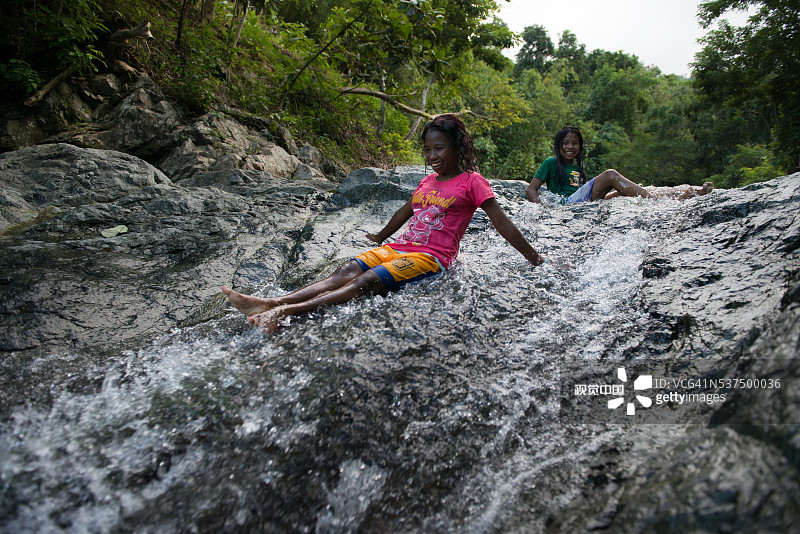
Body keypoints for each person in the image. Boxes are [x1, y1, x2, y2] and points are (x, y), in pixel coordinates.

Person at [223, 114, 544, 332]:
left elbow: (502, 223)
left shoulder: (472, 182)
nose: (432, 155)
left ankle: (281, 314)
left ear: (457, 148)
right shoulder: (428, 182)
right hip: (399, 247)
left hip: (432, 257)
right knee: (346, 271)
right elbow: (406, 211)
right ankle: (270, 302)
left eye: (439, 148)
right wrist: (380, 236)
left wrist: (534, 258)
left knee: (365, 283)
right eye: (428, 149)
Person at [526, 126, 714, 205]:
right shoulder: (551, 163)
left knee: (622, 191)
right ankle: (657, 199)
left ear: (579, 146)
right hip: (565, 205)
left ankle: (680, 196)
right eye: (565, 143)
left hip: (578, 205)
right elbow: (531, 190)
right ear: (559, 145)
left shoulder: (577, 168)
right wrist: (542, 208)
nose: (570, 147)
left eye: (574, 143)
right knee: (610, 175)